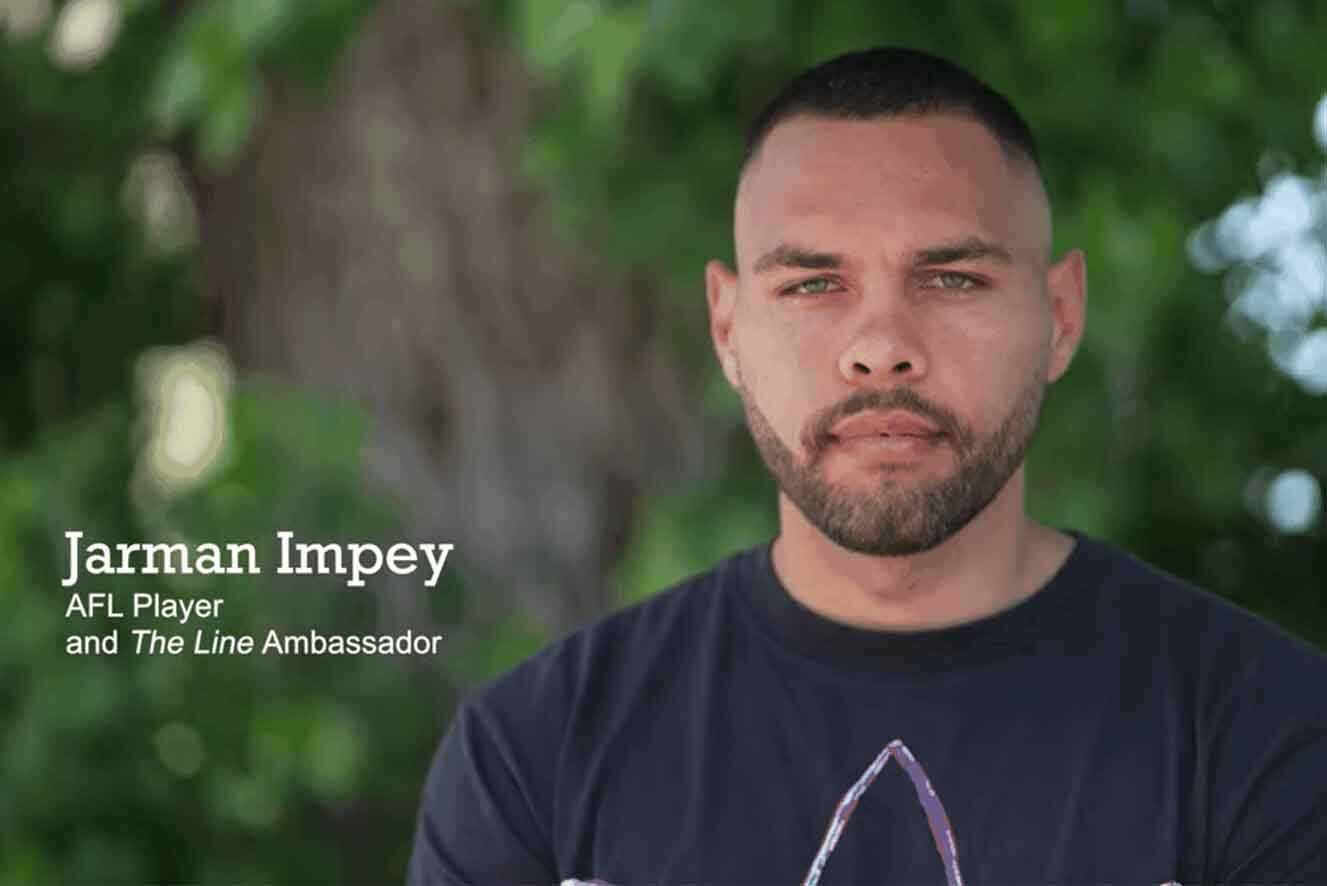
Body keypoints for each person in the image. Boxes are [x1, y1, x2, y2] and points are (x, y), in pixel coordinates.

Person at [406, 47, 1327, 885]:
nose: (880, 347)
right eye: (813, 284)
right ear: (728, 330)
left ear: (1059, 315)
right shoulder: (535, 756)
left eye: (952, 279)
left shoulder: (1269, 736)